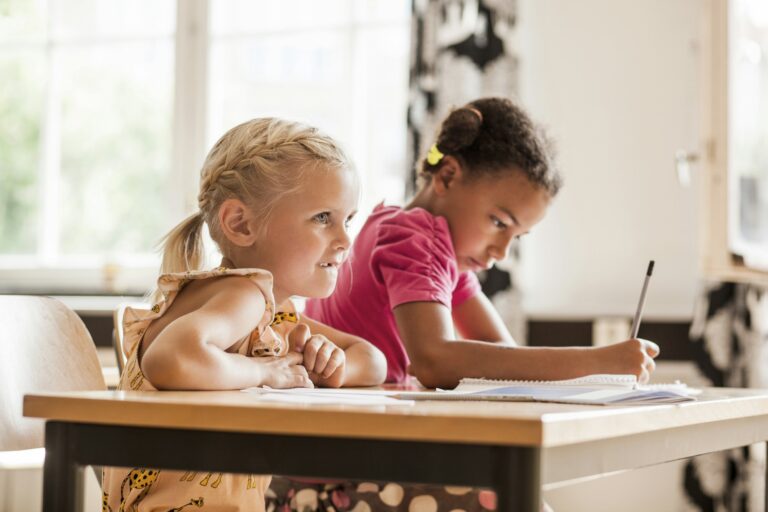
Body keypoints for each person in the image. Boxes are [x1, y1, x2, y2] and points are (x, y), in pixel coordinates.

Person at [275, 97, 658, 511]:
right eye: (498, 222)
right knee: (515, 500)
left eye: (517, 237)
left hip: (360, 464)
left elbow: (504, 357)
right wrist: (597, 361)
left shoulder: (438, 253)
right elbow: (436, 360)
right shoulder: (412, 238)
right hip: (333, 482)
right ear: (448, 176)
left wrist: (597, 373)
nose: (502, 251)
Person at [101, 117, 387, 512]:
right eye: (323, 218)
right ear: (241, 224)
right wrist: (267, 374)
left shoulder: (269, 313)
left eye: (348, 219)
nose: (344, 240)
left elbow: (372, 361)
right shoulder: (243, 294)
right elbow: (171, 359)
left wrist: (328, 366)